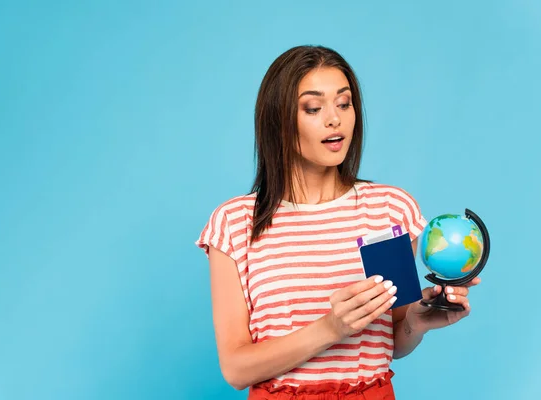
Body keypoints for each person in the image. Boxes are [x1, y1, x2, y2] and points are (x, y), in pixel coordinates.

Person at [195, 45, 480, 400]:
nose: (335, 119)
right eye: (314, 108)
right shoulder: (234, 223)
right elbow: (236, 369)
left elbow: (392, 342)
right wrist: (332, 327)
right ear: (278, 121)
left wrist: (415, 323)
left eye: (344, 104)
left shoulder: (389, 209)